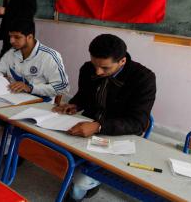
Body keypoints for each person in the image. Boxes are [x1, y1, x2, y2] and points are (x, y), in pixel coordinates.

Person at [53, 34, 156, 202]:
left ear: (122, 61)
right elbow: (84, 96)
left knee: (81, 178)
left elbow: (137, 123)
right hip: (88, 127)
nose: (97, 71)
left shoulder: (143, 78)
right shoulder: (88, 68)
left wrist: (99, 126)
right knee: (53, 152)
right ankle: (83, 179)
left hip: (117, 134)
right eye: (95, 64)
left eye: (105, 68)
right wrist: (75, 105)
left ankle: (79, 191)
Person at [0, 19, 68, 102]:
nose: (11, 41)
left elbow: (63, 87)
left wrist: (30, 88)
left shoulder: (49, 56)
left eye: (17, 37)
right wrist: (2, 81)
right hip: (12, 100)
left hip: (39, 105)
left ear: (30, 37)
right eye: (10, 36)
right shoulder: (12, 53)